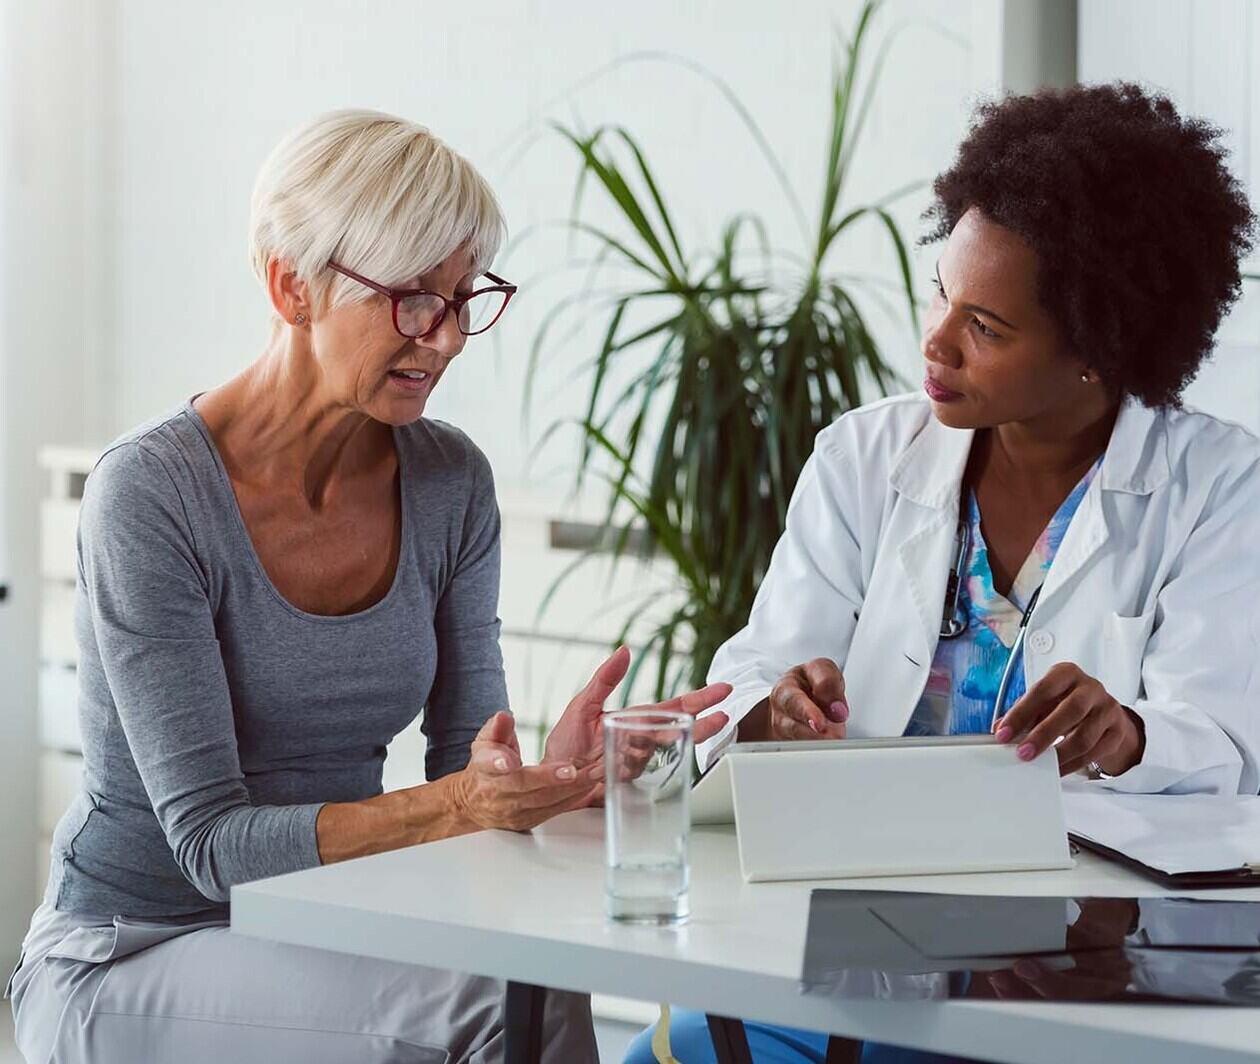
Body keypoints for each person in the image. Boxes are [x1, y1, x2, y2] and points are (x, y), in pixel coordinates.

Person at [4, 109, 730, 1064]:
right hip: (131, 948)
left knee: (528, 989)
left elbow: (463, 772)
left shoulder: (450, 483)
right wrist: (466, 803)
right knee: (499, 1010)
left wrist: (546, 783)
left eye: (465, 297)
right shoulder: (150, 493)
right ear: (290, 285)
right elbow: (212, 847)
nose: (447, 337)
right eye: (411, 298)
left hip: (323, 930)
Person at [627, 82, 1260, 1064]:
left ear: (1097, 347)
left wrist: (1128, 733)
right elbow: (746, 678)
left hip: (1074, 966)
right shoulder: (863, 458)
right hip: (844, 938)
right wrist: (773, 708)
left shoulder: (1219, 486)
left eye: (987, 326)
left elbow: (1227, 739)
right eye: (940, 293)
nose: (934, 341)